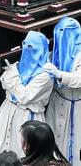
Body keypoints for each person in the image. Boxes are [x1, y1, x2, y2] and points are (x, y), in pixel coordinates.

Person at [0, 31, 53, 158]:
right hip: (8, 110)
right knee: (0, 151)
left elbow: (24, 97)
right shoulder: (19, 65)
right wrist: (12, 69)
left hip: (27, 117)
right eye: (26, 45)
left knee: (23, 154)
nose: (28, 50)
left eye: (32, 47)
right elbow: (4, 85)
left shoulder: (46, 74)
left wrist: (12, 73)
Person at [44, 17, 81, 165]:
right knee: (54, 140)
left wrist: (59, 75)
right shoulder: (55, 53)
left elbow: (79, 79)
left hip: (77, 106)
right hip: (57, 101)